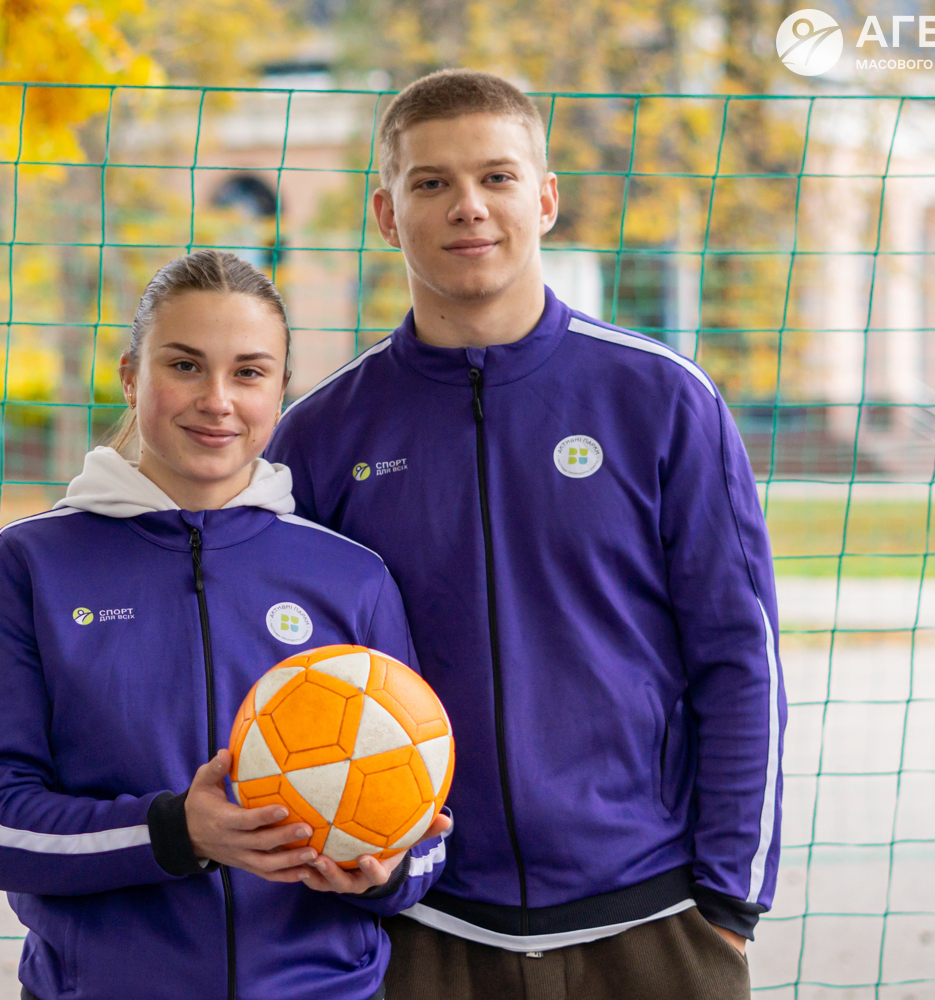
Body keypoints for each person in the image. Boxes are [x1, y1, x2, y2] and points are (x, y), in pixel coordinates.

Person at [265, 70, 785, 999]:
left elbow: (740, 657)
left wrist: (727, 905)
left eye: (496, 177)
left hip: (653, 918)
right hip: (425, 923)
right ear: (386, 215)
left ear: (544, 199)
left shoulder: (663, 400)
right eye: (432, 182)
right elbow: (282, 680)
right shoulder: (321, 437)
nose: (468, 206)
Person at [0, 250, 450, 1000]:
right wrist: (177, 831)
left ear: (280, 390)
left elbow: (426, 829)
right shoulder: (32, 564)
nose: (217, 400)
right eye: (185, 365)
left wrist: (385, 870)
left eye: (248, 373)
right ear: (131, 376)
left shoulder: (351, 575)